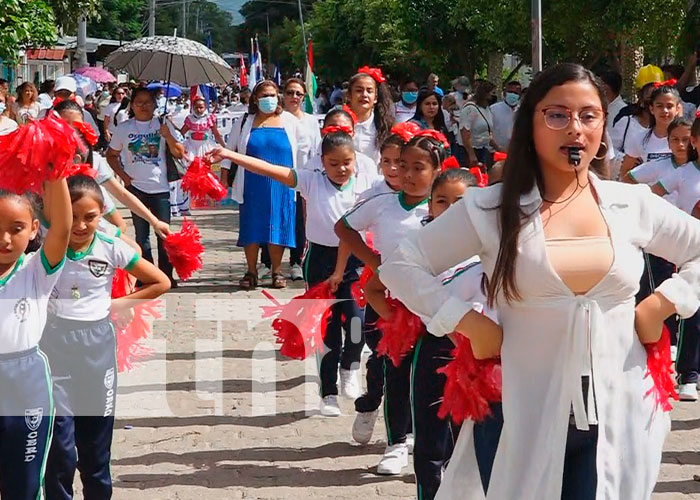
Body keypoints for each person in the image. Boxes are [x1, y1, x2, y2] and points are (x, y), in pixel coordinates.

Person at [379, 63, 700, 500]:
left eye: (588, 115)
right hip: (519, 408)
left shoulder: (631, 203)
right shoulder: (490, 208)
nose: (575, 128)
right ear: (531, 124)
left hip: (617, 409)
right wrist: (465, 322)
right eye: (557, 115)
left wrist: (662, 303)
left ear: (603, 125)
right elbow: (401, 263)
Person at [207, 128, 374, 416]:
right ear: (322, 162)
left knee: (358, 322)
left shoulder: (366, 182)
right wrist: (229, 154)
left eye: (346, 162)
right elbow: (271, 170)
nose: (341, 169)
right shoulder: (311, 181)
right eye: (333, 164)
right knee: (327, 328)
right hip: (321, 259)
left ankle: (350, 365)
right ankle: (328, 393)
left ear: (355, 160)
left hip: (356, 260)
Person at [365, 167, 503, 499]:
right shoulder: (419, 248)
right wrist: (408, 322)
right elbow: (375, 288)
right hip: (431, 349)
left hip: (478, 360)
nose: (451, 209)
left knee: (471, 444)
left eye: (461, 201)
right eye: (442, 201)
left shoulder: (491, 249)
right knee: (428, 442)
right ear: (430, 206)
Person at [41, 175, 170, 500]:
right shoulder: (48, 246)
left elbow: (160, 282)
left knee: (96, 451)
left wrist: (114, 305)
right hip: (54, 347)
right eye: (74, 216)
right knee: (60, 449)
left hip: (97, 348)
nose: (81, 225)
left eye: (90, 216)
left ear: (102, 215)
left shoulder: (111, 247)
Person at [335, 132, 446, 475]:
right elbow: (344, 227)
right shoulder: (383, 203)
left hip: (437, 306)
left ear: (437, 169)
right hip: (390, 306)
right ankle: (397, 442)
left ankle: (432, 446)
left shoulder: (446, 206)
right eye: (402, 165)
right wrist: (374, 262)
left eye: (418, 167)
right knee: (393, 373)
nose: (408, 174)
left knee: (432, 377)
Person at [0, 176, 71, 500]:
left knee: (25, 484)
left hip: (26, 384)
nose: (4, 238)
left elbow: (62, 230)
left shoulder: (35, 272)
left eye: (16, 228)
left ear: (32, 230)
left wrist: (55, 172)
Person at [219, 80, 299, 290]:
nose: (269, 100)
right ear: (255, 99)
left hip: (282, 184)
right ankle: (251, 271)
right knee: (252, 227)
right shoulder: (245, 121)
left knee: (278, 226)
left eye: (273, 95)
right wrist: (224, 174)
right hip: (251, 184)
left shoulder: (289, 121)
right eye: (264, 96)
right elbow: (230, 150)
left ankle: (276, 271)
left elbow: (304, 150)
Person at [55, 99, 171, 240]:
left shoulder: (94, 159)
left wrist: (155, 222)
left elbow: (122, 194)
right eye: (64, 125)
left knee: (134, 250)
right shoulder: (40, 159)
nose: (71, 132)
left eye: (77, 127)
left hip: (84, 236)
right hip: (51, 234)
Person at [106, 88, 184, 288]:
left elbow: (179, 152)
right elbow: (111, 155)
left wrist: (167, 136)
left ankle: (166, 275)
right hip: (135, 188)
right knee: (142, 236)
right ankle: (147, 274)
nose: (143, 106)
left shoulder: (162, 124)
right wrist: (123, 176)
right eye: (138, 102)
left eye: (148, 102)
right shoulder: (124, 128)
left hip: (161, 188)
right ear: (132, 105)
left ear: (155, 104)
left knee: (164, 234)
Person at [650, 116, 700, 400]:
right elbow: (654, 194)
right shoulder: (683, 173)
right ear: (694, 141)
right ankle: (688, 375)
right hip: (693, 252)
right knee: (692, 312)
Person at [282, 78, 323, 281]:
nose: (294, 97)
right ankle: (268, 262)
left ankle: (296, 260)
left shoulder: (310, 121)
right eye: (290, 93)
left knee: (300, 221)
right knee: (278, 219)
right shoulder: (277, 118)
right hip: (280, 176)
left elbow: (316, 150)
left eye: (298, 94)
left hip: (303, 178)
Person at [620, 82, 682, 179]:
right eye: (659, 106)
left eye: (669, 106)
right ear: (652, 109)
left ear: (677, 109)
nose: (665, 111)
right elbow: (625, 172)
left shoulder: (689, 139)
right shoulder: (639, 138)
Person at [347, 67, 395, 163]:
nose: (364, 95)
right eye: (359, 90)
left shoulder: (385, 127)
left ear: (375, 98)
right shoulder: (339, 122)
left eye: (369, 91)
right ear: (349, 96)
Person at [460, 80, 499, 167]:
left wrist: (498, 148)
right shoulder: (470, 109)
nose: (494, 95)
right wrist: (472, 155)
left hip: (483, 149)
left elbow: (488, 132)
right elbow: (465, 133)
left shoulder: (487, 109)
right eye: (492, 93)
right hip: (470, 151)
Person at [489, 81, 521, 151]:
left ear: (519, 96)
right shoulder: (494, 109)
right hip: (495, 152)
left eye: (516, 93)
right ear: (504, 93)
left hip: (515, 153)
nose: (513, 95)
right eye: (510, 92)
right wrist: (498, 148)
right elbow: (487, 132)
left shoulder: (522, 111)